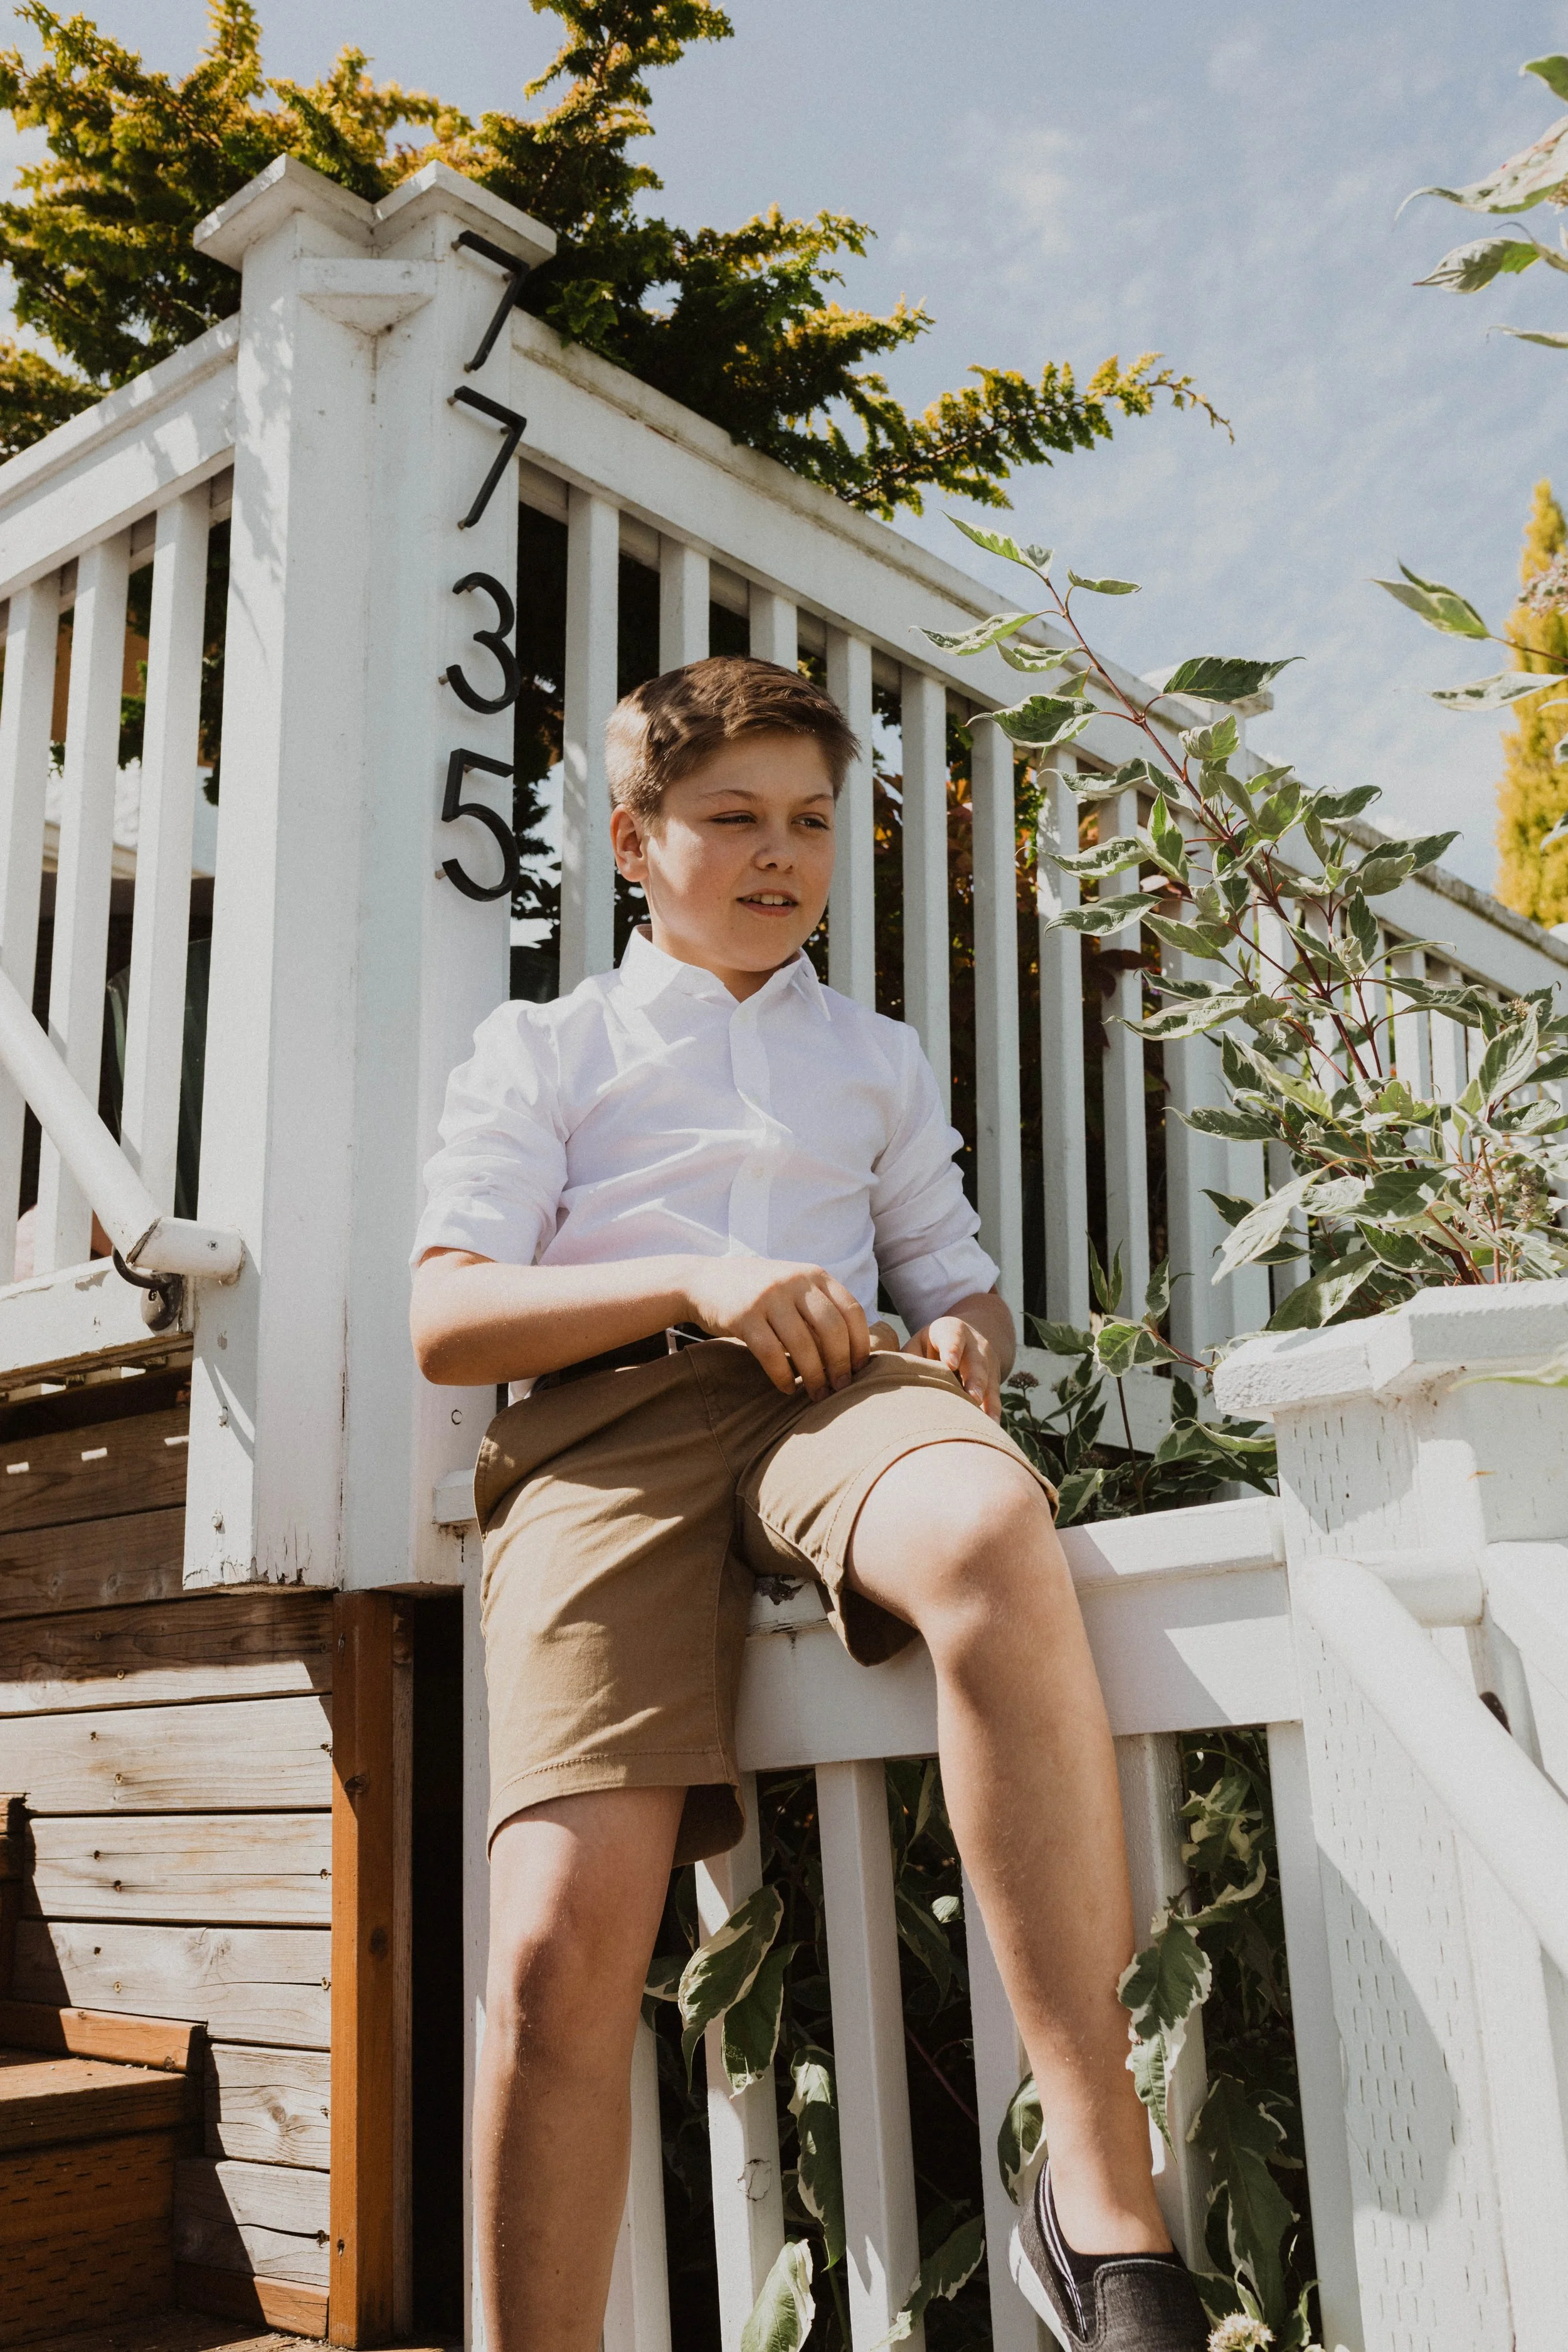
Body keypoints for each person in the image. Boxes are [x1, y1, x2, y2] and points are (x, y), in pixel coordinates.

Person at [409, 655, 1211, 2352]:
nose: (778, 855)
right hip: (605, 1437)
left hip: (833, 1400)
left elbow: (963, 1287)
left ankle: (1097, 2197)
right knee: (561, 1939)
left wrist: (956, 1342)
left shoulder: (875, 1057)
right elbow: (448, 1317)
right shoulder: (549, 1045)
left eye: (809, 822)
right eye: (730, 819)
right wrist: (690, 1277)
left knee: (991, 1529)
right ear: (634, 841)